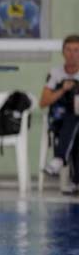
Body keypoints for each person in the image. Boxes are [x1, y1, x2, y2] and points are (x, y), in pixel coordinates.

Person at [40, 34, 79, 195]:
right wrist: (62, 89)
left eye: (77, 50)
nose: (72, 54)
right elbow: (43, 101)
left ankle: (61, 162)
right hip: (59, 120)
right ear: (63, 52)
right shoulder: (55, 73)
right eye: (68, 50)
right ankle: (71, 175)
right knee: (73, 119)